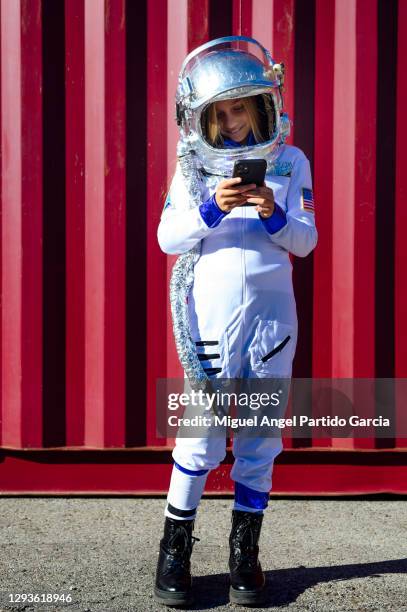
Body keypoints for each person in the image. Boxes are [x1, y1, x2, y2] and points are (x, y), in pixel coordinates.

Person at [154, 36, 317, 607]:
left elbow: (306, 240)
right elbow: (167, 238)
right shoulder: (193, 167)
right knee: (199, 439)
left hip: (272, 325)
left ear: (261, 105)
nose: (232, 121)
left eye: (240, 107)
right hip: (211, 324)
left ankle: (243, 554)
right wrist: (211, 207)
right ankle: (174, 551)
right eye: (219, 113)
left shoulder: (291, 162)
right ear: (205, 118)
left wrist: (273, 214)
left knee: (259, 439)